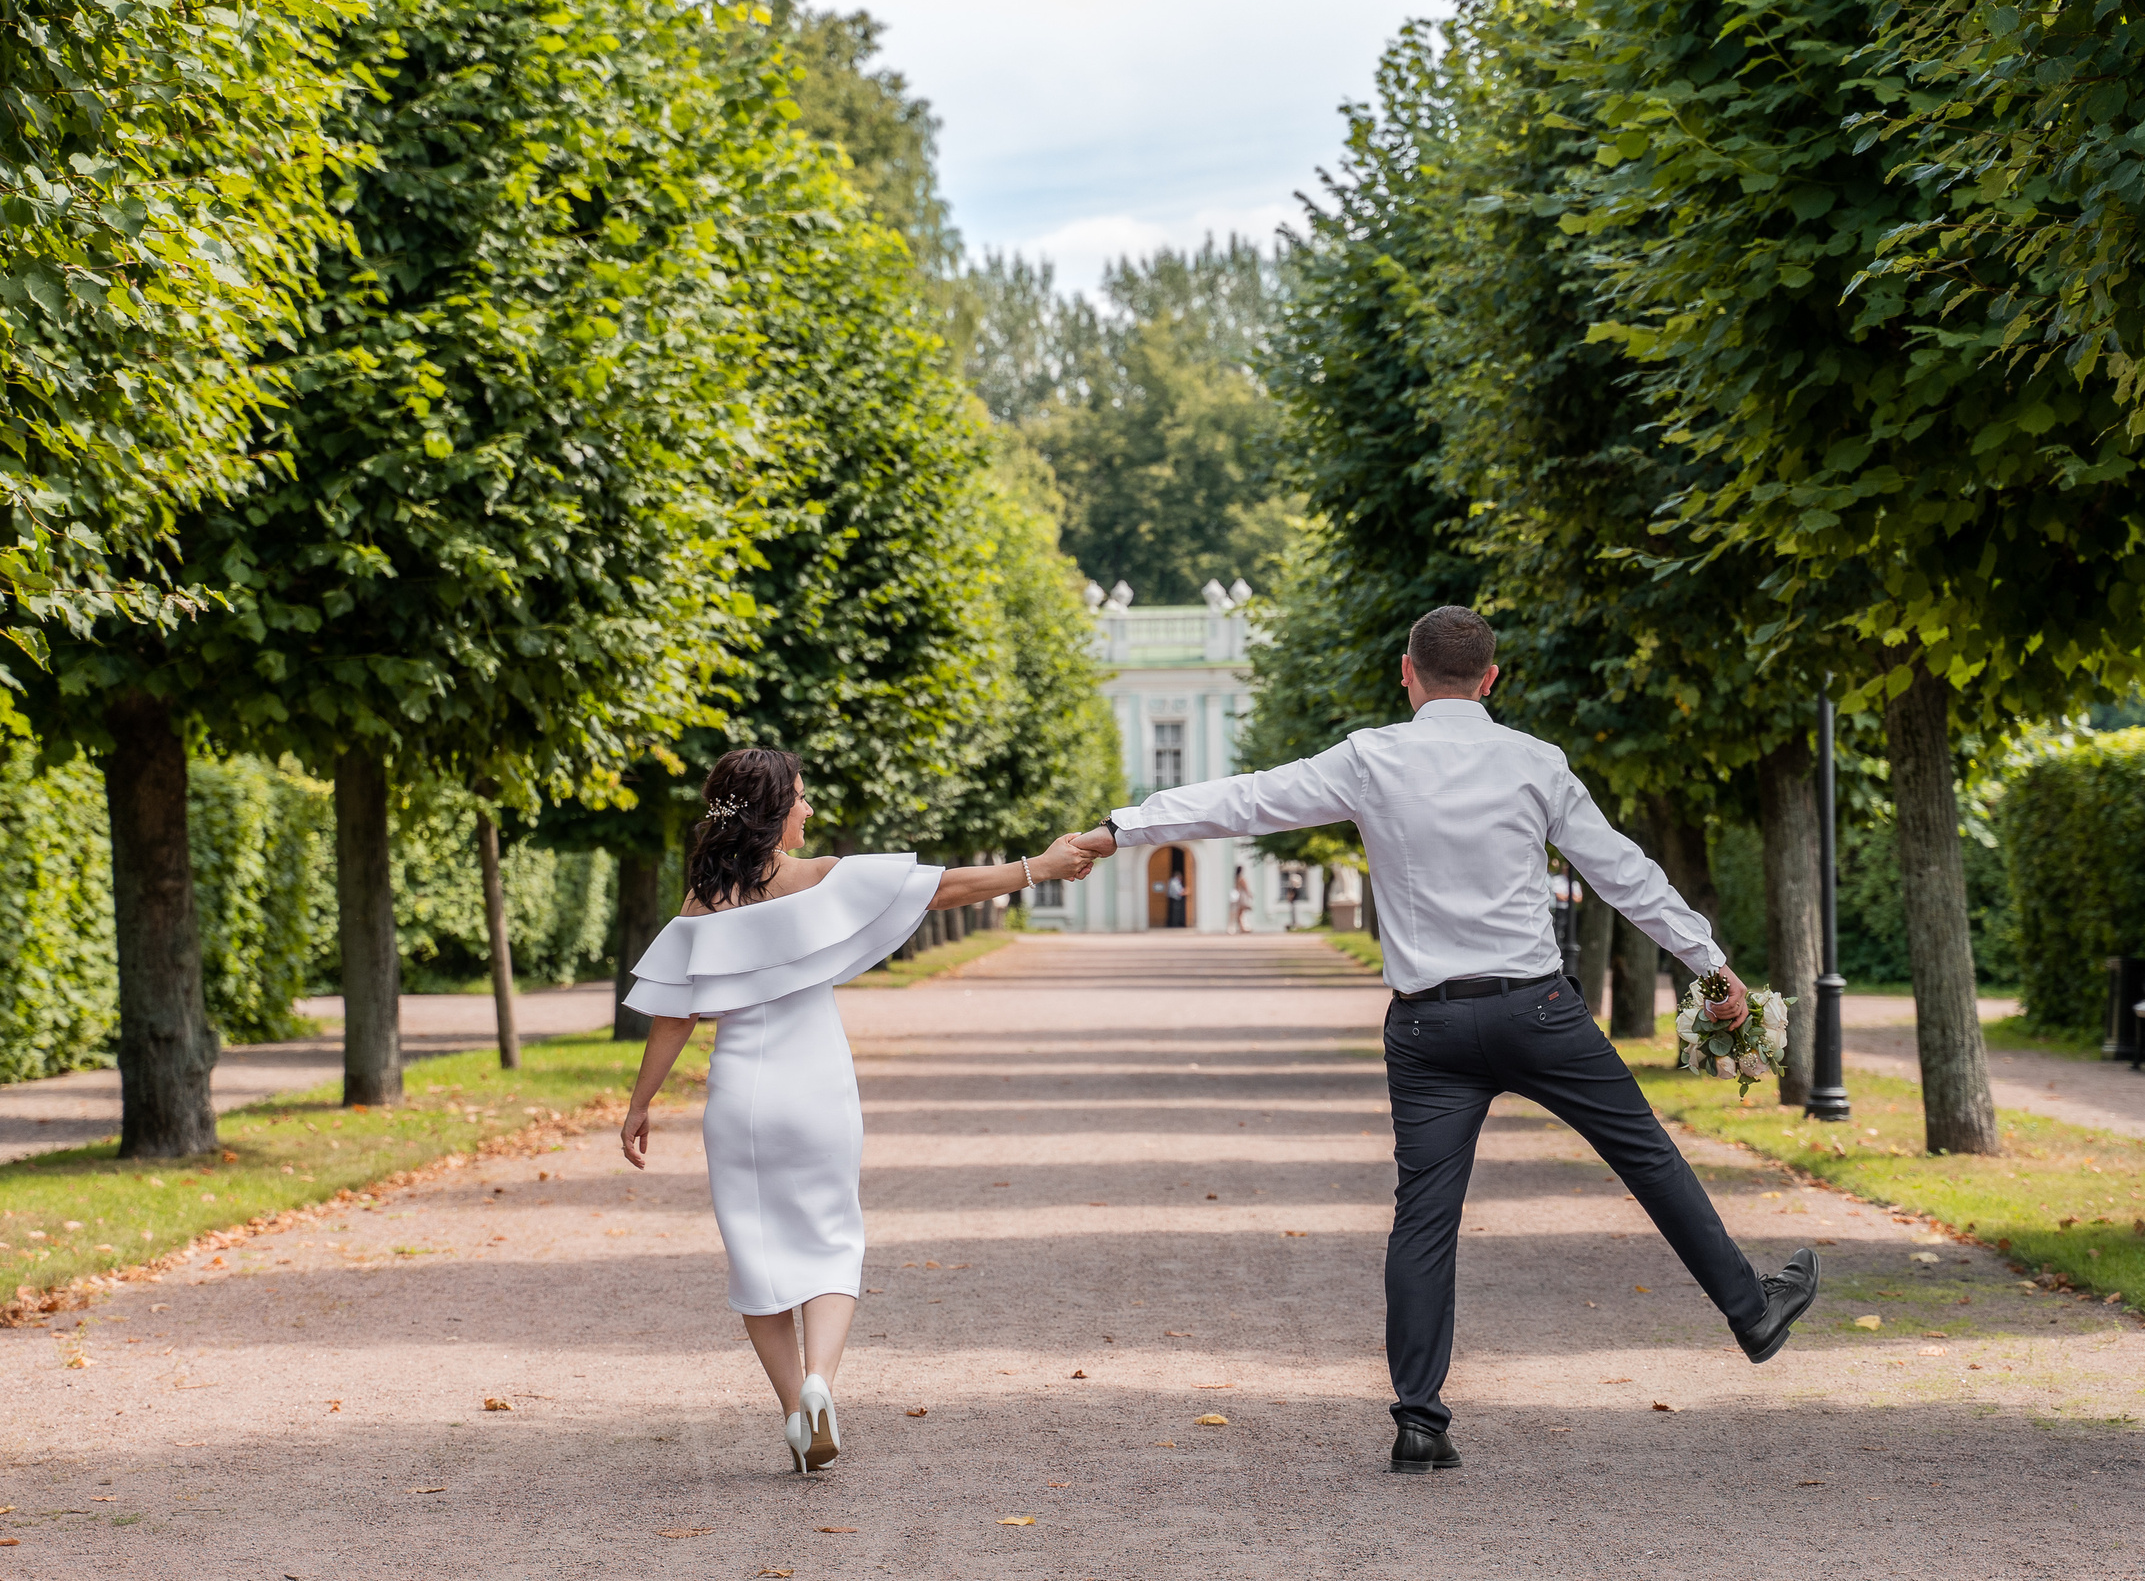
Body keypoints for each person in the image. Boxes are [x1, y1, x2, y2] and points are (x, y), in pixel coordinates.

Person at [1074, 606, 1819, 1474]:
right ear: (1492, 678)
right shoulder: (1536, 763)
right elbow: (1622, 871)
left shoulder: (1370, 757)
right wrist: (1709, 960)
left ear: (1407, 673)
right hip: (1538, 1011)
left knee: (1424, 1218)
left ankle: (1420, 1420)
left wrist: (1122, 827)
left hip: (1427, 1026)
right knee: (1648, 1156)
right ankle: (1751, 1312)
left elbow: (1246, 798)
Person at [618, 747, 1097, 1474]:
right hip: (818, 1087)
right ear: (772, 810)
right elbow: (940, 888)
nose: (809, 810)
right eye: (800, 798)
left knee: (757, 1254)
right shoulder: (821, 878)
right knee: (833, 1239)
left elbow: (674, 1018)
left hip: (742, 1096)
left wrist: (640, 1103)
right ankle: (821, 1384)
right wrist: (1037, 866)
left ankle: (790, 1410)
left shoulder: (702, 901)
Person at [1230, 865, 1253, 934]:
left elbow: (1236, 888)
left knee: (1240, 913)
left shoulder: (1236, 879)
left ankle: (1241, 927)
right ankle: (1242, 928)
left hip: (1239, 895)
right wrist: (1249, 894)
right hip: (1243, 896)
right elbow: (1246, 888)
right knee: (1241, 912)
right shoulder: (1241, 878)